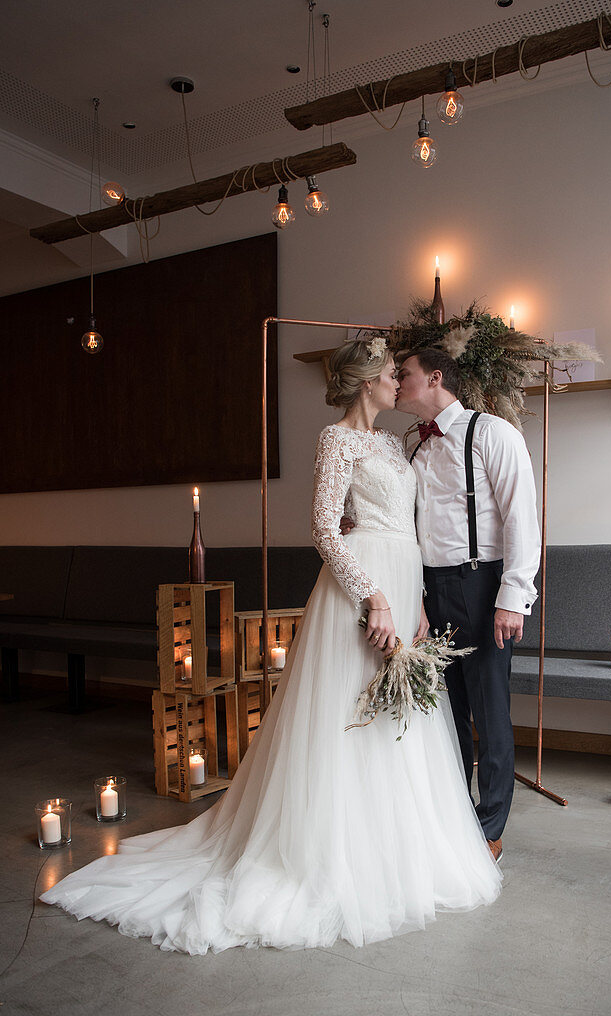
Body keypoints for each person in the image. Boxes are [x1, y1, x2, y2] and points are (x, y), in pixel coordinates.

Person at [41, 338, 501, 954]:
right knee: (347, 717)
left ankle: (395, 848)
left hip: (403, 576)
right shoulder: (335, 440)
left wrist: (413, 598)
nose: (399, 383)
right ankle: (331, 854)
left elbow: (412, 528)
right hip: (359, 589)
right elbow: (322, 528)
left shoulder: (395, 443)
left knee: (398, 719)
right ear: (367, 383)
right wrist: (374, 598)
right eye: (392, 375)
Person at [394, 347, 541, 864]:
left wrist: (513, 598)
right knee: (447, 710)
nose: (394, 380)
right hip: (431, 589)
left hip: (482, 586)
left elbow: (522, 516)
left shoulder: (493, 433)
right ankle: (455, 813)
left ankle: (491, 826)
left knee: (489, 708)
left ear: (434, 378)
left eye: (403, 374)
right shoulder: (415, 450)